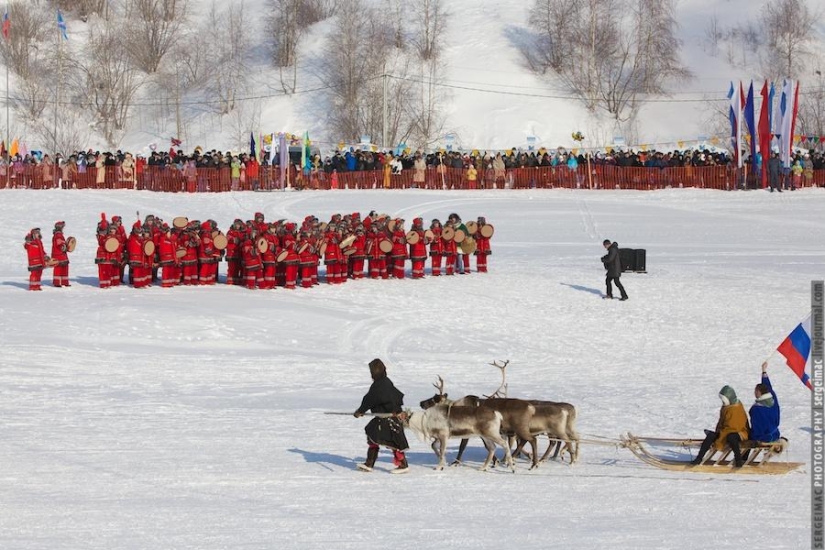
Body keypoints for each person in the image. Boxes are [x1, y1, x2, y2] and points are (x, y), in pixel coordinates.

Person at [353, 358, 410, 474]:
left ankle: (403, 465)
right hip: (388, 418)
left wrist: (360, 411)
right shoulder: (386, 381)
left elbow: (369, 399)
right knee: (373, 436)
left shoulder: (379, 385)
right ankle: (369, 463)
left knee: (393, 442)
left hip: (387, 419)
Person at [692, 385, 750, 467]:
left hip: (739, 432)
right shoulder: (726, 407)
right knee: (710, 436)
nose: (722, 402)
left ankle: (738, 460)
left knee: (731, 437)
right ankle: (699, 458)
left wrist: (720, 437)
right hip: (725, 431)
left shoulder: (736, 408)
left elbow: (734, 427)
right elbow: (722, 422)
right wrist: (719, 432)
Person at [749, 361, 781, 443]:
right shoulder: (773, 398)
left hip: (763, 437)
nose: (754, 393)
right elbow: (767, 386)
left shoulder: (756, 409)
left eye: (755, 391)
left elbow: (756, 428)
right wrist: (764, 370)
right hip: (775, 434)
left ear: (759, 393)